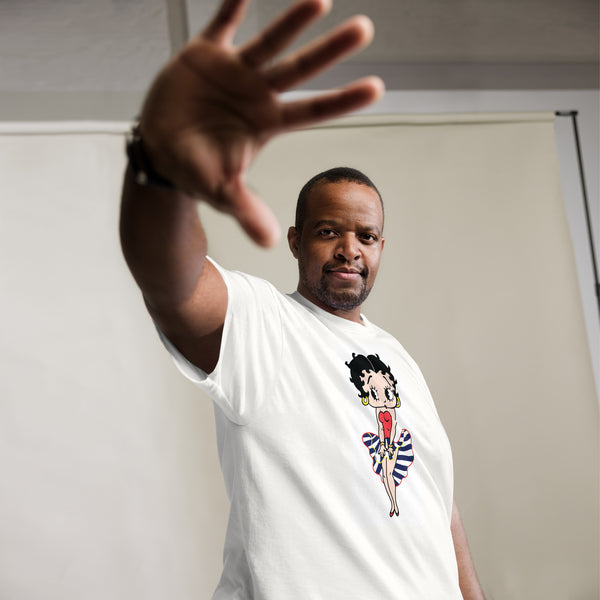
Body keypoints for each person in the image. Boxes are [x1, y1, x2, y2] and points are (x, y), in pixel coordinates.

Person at [119, 0, 485, 598]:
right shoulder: (266, 325)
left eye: (366, 236)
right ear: (296, 241)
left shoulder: (398, 357)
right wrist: (161, 168)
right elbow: (172, 284)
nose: (349, 249)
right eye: (328, 231)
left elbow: (439, 503)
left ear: (382, 247)